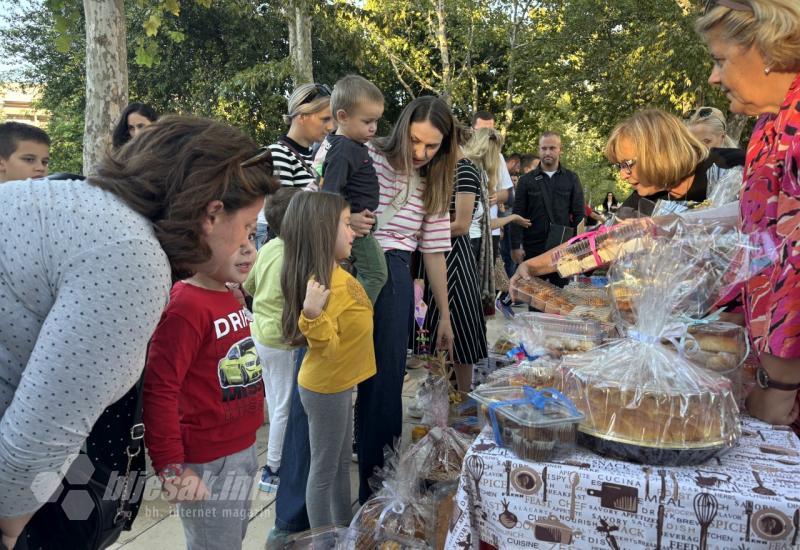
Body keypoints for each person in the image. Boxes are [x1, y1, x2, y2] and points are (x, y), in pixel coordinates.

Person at [0, 116, 276, 549]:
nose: (246, 241)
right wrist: (13, 529)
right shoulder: (132, 256)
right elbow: (40, 436)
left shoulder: (81, 205)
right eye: (246, 225)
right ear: (211, 214)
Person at [142, 152, 269, 550]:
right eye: (243, 232)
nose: (249, 248)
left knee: (231, 538)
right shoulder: (185, 306)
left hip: (243, 446)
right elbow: (160, 388)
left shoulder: (231, 295)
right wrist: (171, 467)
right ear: (205, 227)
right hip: (205, 461)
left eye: (253, 235)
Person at [696, 0, 800, 426]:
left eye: (721, 60)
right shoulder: (769, 124)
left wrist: (778, 387)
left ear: (768, 50)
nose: (713, 76)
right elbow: (758, 231)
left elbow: (794, 263)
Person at [355, 96, 458, 504]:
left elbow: (432, 251)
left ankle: (380, 497)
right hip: (344, 263)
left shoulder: (436, 179)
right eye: (415, 141)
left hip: (395, 268)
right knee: (320, 387)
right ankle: (296, 514)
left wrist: (444, 315)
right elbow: (317, 203)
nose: (420, 153)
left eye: (431, 147)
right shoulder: (365, 152)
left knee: (383, 386)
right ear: (401, 129)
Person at [281, 192, 376, 535]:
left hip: (337, 385)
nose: (353, 233)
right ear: (323, 232)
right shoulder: (321, 286)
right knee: (324, 472)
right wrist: (313, 315)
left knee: (337, 466)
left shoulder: (336, 274)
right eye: (346, 226)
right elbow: (327, 345)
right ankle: (326, 541)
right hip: (326, 389)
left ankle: (342, 530)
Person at [243, 187, 302, 493]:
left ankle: (273, 459)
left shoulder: (268, 247)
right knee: (283, 405)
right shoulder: (297, 255)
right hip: (282, 340)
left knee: (273, 399)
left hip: (261, 334)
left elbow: (249, 286)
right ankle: (273, 468)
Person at [316, 74, 387, 304]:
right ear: (343, 117)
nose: (374, 128)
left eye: (376, 121)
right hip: (353, 228)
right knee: (376, 274)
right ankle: (355, 317)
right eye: (368, 122)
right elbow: (329, 195)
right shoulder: (344, 149)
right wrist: (346, 221)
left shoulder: (351, 145)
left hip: (358, 224)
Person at [608, 109, 744, 215]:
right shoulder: (644, 199)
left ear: (660, 153)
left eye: (627, 164)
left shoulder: (734, 167)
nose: (623, 175)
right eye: (620, 166)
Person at [255, 83, 335, 248]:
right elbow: (282, 215)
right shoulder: (278, 153)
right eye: (325, 119)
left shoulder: (317, 156)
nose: (331, 127)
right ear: (302, 117)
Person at [511, 131, 584, 288]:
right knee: (535, 297)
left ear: (560, 149)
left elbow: (579, 215)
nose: (548, 152)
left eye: (552, 148)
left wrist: (580, 247)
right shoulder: (525, 181)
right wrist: (515, 246)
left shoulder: (571, 178)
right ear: (539, 150)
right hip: (533, 248)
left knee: (562, 299)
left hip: (563, 249)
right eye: (544, 148)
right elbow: (517, 214)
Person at [684, 105, 744, 197]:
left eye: (706, 141)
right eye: (694, 143)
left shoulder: (737, 170)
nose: (700, 149)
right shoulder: (686, 169)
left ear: (722, 137)